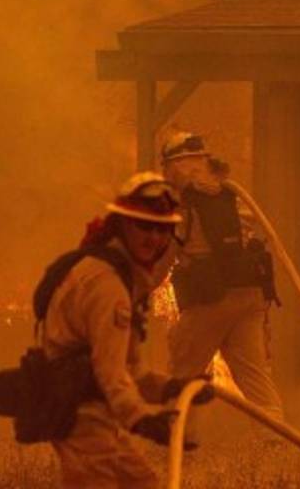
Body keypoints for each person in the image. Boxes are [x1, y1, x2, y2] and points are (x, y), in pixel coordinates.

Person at [42, 171, 195, 489]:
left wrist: (172, 388)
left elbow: (131, 371)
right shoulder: (107, 284)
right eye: (144, 226)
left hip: (99, 414)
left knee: (143, 483)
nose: (154, 238)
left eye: (163, 229)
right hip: (80, 416)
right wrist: (142, 420)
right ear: (122, 224)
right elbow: (109, 371)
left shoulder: (125, 277)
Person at [159, 131, 284, 421]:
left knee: (182, 379)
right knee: (254, 377)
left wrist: (136, 293)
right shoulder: (230, 196)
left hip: (210, 300)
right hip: (249, 295)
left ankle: (175, 441)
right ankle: (275, 440)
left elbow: (165, 257)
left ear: (175, 166)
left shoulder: (183, 204)